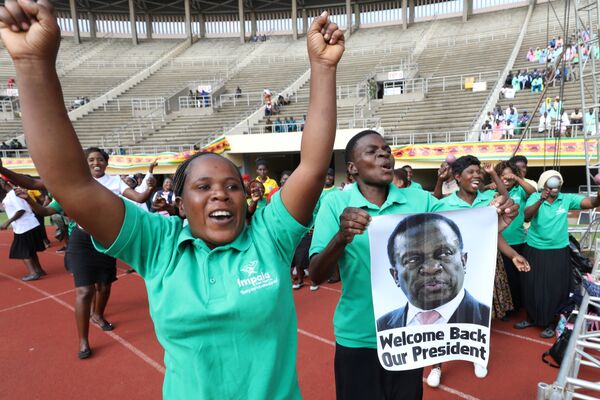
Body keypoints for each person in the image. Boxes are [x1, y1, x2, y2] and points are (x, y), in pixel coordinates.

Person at [0, 3, 345, 396]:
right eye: (203, 187)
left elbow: (313, 167)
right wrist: (31, 62)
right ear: (179, 204)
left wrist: (323, 67)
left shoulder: (271, 235)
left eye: (232, 185)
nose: (221, 192)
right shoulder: (157, 244)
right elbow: (72, 187)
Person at [308, 131, 517, 400]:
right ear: (352, 168)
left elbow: (465, 232)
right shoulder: (335, 204)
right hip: (358, 337)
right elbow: (316, 273)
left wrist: (494, 221)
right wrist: (341, 237)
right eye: (372, 151)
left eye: (386, 149)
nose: (384, 154)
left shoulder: (421, 201)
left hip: (410, 339)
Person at [516, 170, 600, 338]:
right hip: (535, 248)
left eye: (558, 183)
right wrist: (541, 199)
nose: (556, 186)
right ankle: (533, 318)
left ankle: (552, 321)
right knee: (533, 285)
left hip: (558, 250)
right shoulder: (534, 197)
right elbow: (527, 216)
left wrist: (598, 196)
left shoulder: (566, 199)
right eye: (552, 183)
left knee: (556, 287)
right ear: (544, 185)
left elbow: (590, 202)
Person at [377, 213, 490, 330]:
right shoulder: (382, 326)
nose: (431, 268)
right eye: (412, 259)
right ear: (395, 276)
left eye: (445, 253)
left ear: (463, 261)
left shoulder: (486, 318)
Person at [0, 180, 47, 281]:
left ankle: (33, 273)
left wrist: (7, 222)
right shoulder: (13, 193)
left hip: (24, 226)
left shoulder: (13, 193)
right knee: (31, 250)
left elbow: (21, 210)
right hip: (28, 224)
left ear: (4, 182)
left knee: (21, 251)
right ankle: (39, 270)